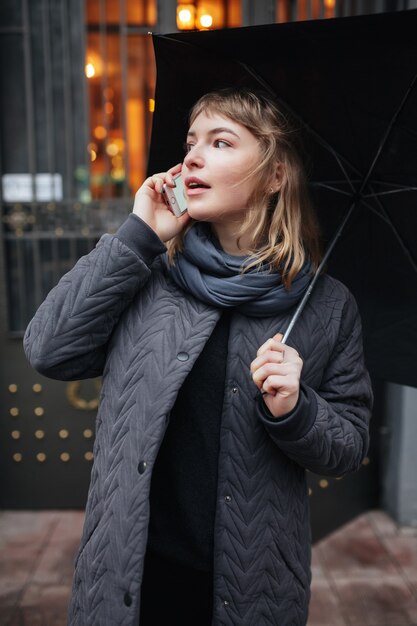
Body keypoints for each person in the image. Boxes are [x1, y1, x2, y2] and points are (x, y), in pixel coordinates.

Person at [24, 88, 372, 626]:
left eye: (221, 141)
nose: (192, 156)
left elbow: (348, 446)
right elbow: (48, 349)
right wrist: (138, 236)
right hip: (130, 582)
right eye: (191, 142)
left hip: (251, 587)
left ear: (276, 174)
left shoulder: (324, 306)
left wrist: (297, 409)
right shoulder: (147, 270)